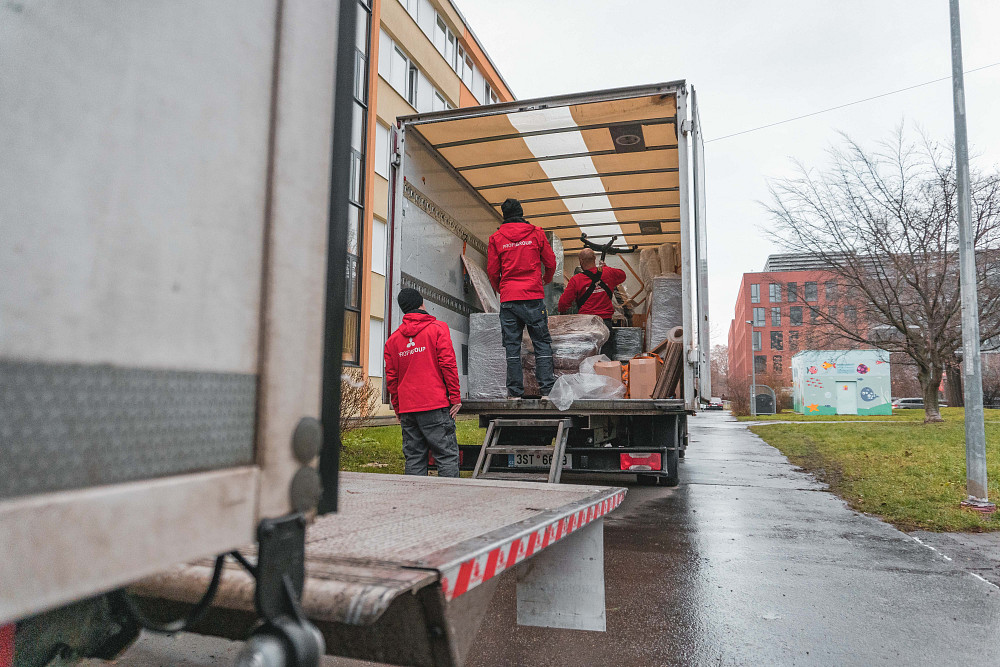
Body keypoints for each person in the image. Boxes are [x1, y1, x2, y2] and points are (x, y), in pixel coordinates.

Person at [383, 288, 462, 477]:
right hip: (435, 405)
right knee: (446, 456)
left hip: (408, 409)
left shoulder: (393, 341)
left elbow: (392, 379)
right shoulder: (438, 329)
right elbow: (448, 364)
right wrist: (455, 397)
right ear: (422, 303)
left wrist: (398, 408)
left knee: (414, 458)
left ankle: (414, 496)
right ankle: (449, 495)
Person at [487, 198, 557, 398]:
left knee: (512, 346)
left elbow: (492, 271)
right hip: (533, 296)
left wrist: (501, 290)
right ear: (521, 212)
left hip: (509, 298)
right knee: (541, 342)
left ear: (504, 215)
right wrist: (546, 279)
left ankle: (515, 393)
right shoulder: (536, 233)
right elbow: (551, 262)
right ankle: (547, 390)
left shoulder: (496, 238)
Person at [557, 248, 627, 357]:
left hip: (586, 324)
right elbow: (623, 275)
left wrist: (562, 316)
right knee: (605, 357)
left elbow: (563, 304)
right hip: (605, 323)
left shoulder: (576, 280)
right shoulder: (608, 273)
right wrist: (605, 267)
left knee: (587, 356)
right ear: (595, 258)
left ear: (581, 261)